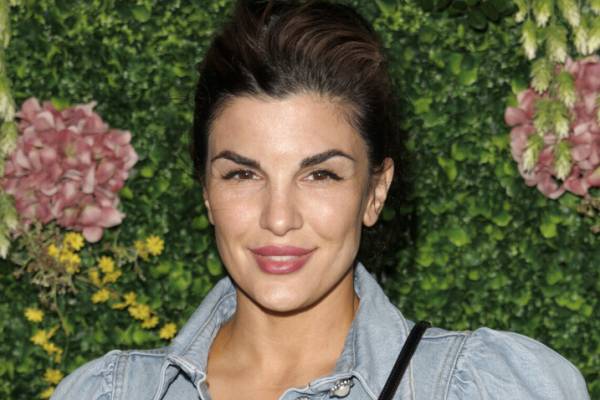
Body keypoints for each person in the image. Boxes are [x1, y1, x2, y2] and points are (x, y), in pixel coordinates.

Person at [52, 0, 591, 399]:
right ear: (207, 193)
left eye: (320, 175)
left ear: (375, 192)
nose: (278, 218)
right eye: (242, 174)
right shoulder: (106, 392)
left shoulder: (490, 387)